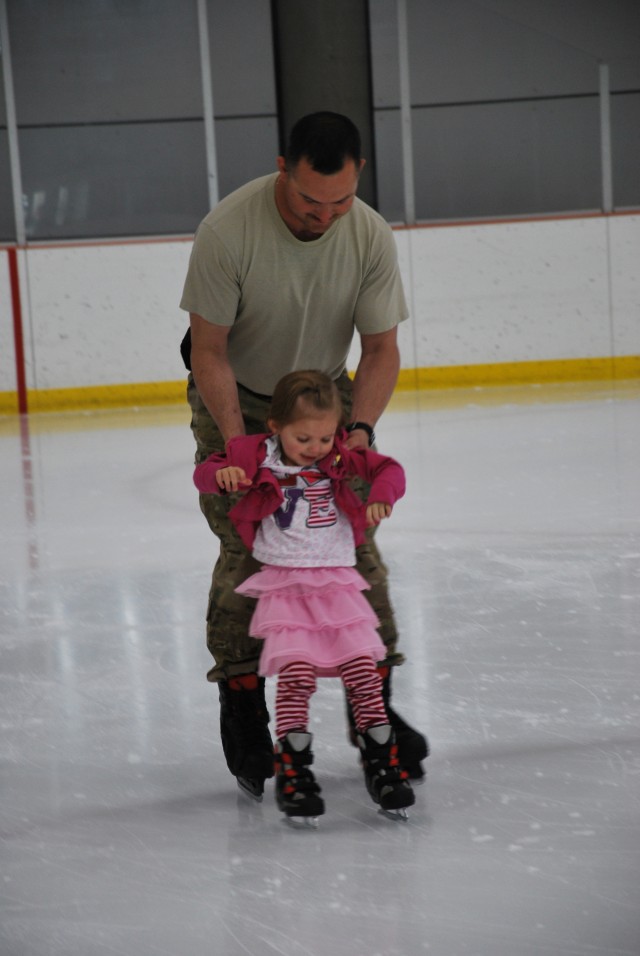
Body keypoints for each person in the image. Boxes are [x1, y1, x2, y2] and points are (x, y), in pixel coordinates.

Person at [180, 110, 428, 800]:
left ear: (360, 179)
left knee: (355, 550)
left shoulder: (369, 234)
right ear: (283, 170)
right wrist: (238, 442)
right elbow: (209, 350)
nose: (324, 217)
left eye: (340, 202)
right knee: (247, 547)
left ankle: (368, 698)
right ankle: (241, 699)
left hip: (324, 401)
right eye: (308, 202)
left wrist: (360, 433)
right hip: (242, 394)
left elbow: (380, 349)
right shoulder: (228, 232)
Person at [193, 371, 415, 821]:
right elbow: (205, 473)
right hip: (286, 588)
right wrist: (224, 475)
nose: (315, 448)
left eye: (324, 436)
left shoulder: (340, 457)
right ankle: (294, 769)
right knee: (296, 676)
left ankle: (382, 762)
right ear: (274, 427)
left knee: (363, 672)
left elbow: (389, 469)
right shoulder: (257, 455)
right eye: (303, 438)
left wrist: (382, 495)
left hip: (336, 584)